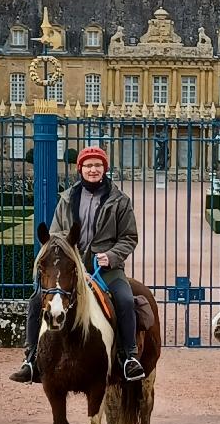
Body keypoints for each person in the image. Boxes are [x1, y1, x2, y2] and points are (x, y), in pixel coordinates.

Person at [9, 146, 146, 384]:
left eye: (98, 165)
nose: (93, 170)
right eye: (88, 165)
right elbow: (55, 234)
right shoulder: (66, 199)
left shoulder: (120, 201)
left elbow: (129, 237)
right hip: (71, 269)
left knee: (124, 299)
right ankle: (31, 359)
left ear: (105, 169)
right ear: (79, 168)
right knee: (35, 301)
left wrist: (111, 256)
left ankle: (129, 357)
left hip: (105, 268)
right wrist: (67, 255)